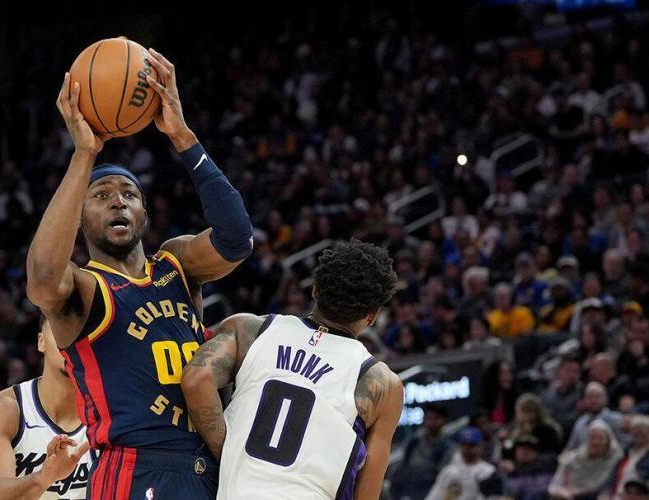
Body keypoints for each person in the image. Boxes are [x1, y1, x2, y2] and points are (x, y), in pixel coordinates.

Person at [26, 48, 252, 499]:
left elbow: (236, 238)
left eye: (129, 194)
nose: (118, 200)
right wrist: (85, 155)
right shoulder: (85, 289)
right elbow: (44, 277)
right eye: (101, 195)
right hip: (135, 469)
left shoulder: (176, 264)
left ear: (144, 214)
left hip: (213, 463)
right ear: (78, 217)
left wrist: (183, 136)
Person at [182, 240, 402, 499]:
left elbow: (197, 379)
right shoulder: (382, 383)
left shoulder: (249, 329)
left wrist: (228, 452)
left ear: (315, 289)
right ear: (373, 315)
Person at [0, 318, 91, 500]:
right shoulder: (2, 410)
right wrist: (43, 478)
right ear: (41, 341)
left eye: (80, 334)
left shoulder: (114, 409)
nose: (71, 343)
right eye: (61, 331)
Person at [548, 420, 623, 499]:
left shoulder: (614, 460)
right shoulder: (572, 459)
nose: (596, 442)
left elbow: (608, 487)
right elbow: (555, 485)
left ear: (608, 442)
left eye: (600, 438)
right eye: (592, 438)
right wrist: (561, 492)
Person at [425, 427, 496, 500]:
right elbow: (434, 495)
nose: (468, 449)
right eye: (465, 445)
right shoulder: (448, 471)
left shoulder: (489, 471)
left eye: (472, 445)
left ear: (481, 446)